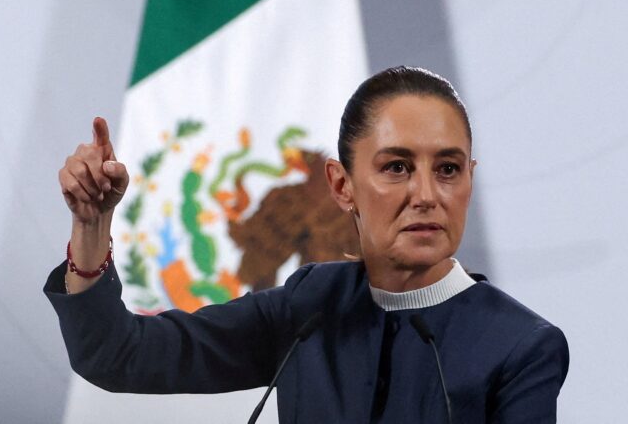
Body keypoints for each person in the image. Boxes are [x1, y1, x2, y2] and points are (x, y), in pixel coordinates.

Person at [45, 66, 569, 423]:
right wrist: (92, 226)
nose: (427, 195)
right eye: (396, 167)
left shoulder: (521, 346)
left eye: (448, 169)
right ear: (342, 185)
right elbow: (117, 355)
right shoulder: (310, 306)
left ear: (470, 178)